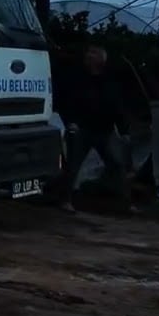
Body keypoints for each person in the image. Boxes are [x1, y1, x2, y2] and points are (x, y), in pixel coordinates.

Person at [53, 44, 138, 214]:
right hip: (81, 130)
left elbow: (117, 107)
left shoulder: (109, 80)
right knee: (73, 166)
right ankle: (65, 200)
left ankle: (126, 203)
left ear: (101, 59)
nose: (89, 56)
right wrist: (70, 122)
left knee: (117, 165)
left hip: (104, 131)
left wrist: (124, 131)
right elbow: (66, 102)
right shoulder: (77, 78)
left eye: (93, 54)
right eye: (88, 53)